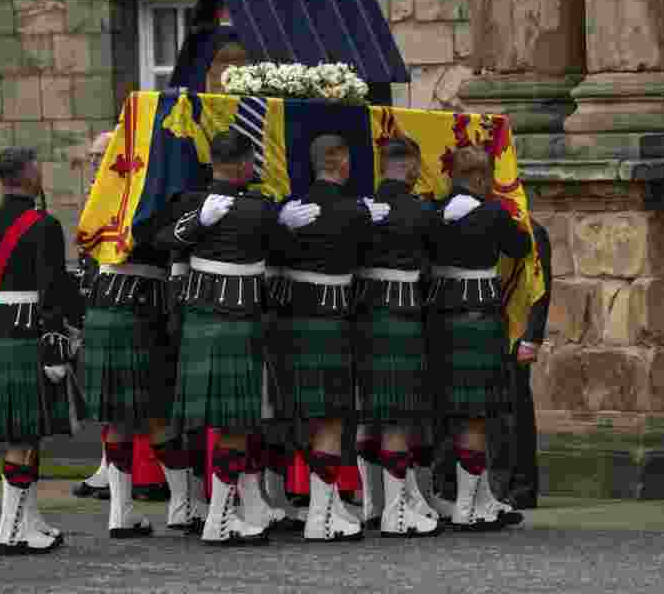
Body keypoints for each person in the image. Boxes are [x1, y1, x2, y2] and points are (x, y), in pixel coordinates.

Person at [139, 128, 319, 545]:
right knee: (235, 423)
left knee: (221, 424)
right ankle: (220, 518)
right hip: (237, 322)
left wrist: (195, 223)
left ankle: (230, 510)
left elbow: (161, 239)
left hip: (200, 321)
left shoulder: (191, 202)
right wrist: (285, 224)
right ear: (241, 164)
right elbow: (285, 252)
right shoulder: (257, 209)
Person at [269, 133, 382, 541]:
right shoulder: (355, 212)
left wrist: (280, 226)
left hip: (291, 321)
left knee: (304, 416)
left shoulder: (290, 211)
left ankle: (328, 507)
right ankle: (320, 516)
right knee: (332, 418)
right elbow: (371, 261)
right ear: (344, 163)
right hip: (333, 319)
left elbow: (271, 254)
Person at [0, 147, 74, 555]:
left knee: (26, 436)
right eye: (38, 167)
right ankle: (9, 531)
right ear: (27, 174)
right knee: (23, 439)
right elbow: (52, 289)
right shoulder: (43, 225)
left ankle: (29, 522)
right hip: (31, 338)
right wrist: (56, 345)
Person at [429, 145, 532, 530]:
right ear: (481, 178)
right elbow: (520, 247)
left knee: (462, 413)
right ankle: (467, 507)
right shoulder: (491, 212)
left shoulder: (434, 213)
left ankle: (482, 496)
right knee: (476, 415)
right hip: (478, 318)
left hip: (443, 317)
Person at [351, 137, 442, 538]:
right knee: (398, 416)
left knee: (370, 413)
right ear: (411, 166)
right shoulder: (420, 211)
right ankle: (396, 510)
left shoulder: (361, 208)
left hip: (362, 316)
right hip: (403, 316)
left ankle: (375, 503)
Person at [489, 212, 551, 510]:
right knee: (494, 413)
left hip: (517, 329)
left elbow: (541, 288)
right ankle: (498, 484)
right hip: (490, 327)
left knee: (516, 410)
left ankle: (522, 486)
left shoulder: (533, 231)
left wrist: (533, 336)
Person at [72, 131, 113, 501]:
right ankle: (106, 466)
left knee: (114, 396)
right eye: (94, 156)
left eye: (102, 155)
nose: (97, 162)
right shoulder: (95, 195)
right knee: (100, 394)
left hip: (116, 301)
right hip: (93, 302)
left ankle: (115, 470)